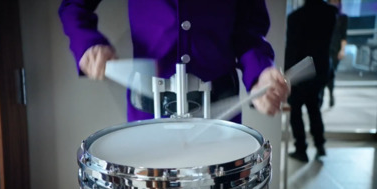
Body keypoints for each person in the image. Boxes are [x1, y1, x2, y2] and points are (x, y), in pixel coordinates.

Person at [58, 0, 290, 123]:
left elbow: (249, 30)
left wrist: (260, 74)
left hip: (221, 119)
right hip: (147, 118)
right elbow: (73, 5)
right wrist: (87, 42)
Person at [285, 0, 338, 162]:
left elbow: (292, 48)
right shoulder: (330, 14)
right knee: (314, 108)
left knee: (295, 112)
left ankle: (301, 149)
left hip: (300, 73)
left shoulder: (295, 17)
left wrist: (287, 74)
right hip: (320, 70)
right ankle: (320, 144)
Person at [327, 0, 348, 107]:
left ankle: (330, 94)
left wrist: (342, 50)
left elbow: (343, 36)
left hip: (335, 49)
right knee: (323, 74)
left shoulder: (343, 17)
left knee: (331, 74)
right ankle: (322, 96)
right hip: (324, 49)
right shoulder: (324, 16)